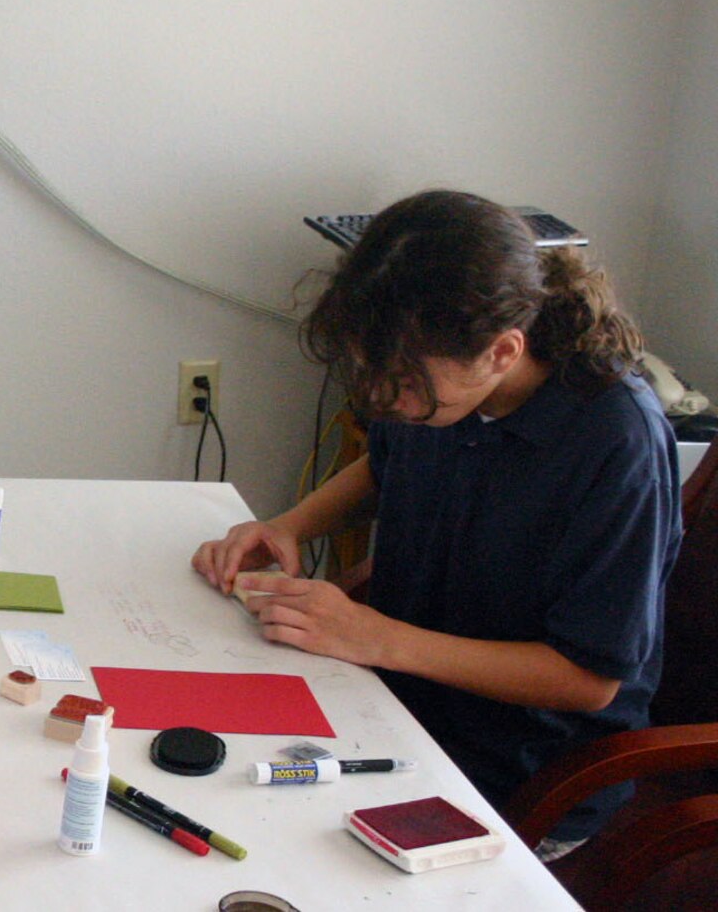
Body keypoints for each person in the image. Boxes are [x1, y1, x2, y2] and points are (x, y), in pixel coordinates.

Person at [190, 190, 681, 857]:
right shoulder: (438, 388)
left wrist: (376, 638)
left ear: (504, 352)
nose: (386, 400)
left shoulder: (615, 442)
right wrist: (293, 525)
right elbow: (383, 465)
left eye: (406, 386)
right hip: (398, 703)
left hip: (520, 770)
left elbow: (588, 678)